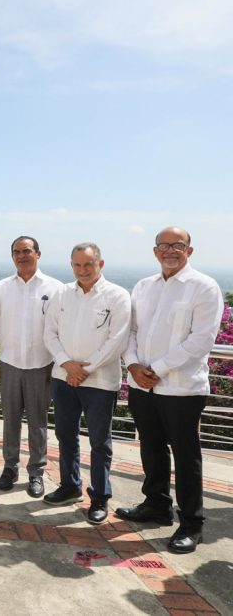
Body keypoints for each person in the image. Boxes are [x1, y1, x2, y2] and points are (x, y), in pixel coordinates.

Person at [117, 227, 223, 553]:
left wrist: (158, 369)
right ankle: (156, 505)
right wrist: (134, 366)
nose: (170, 251)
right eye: (164, 245)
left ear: (189, 250)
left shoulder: (204, 287)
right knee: (150, 448)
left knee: (185, 455)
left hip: (182, 389)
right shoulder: (144, 287)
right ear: (155, 251)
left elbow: (201, 339)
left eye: (178, 245)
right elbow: (130, 331)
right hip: (141, 385)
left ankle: (191, 523)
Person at [43, 242, 130, 525]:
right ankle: (70, 486)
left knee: (99, 442)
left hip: (100, 381)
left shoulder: (117, 296)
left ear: (100, 264)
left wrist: (84, 370)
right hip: (63, 377)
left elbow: (116, 341)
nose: (83, 270)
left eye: (88, 264)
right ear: (71, 265)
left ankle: (100, 497)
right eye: (77, 265)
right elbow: (50, 333)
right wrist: (67, 364)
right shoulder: (62, 294)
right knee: (65, 435)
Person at [0, 237, 64, 497]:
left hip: (43, 365)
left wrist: (59, 363)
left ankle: (36, 472)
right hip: (9, 363)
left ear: (38, 254)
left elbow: (61, 329)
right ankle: (10, 467)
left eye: (27, 251)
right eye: (16, 252)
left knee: (38, 422)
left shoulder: (55, 288)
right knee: (10, 420)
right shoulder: (2, 288)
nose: (21, 256)